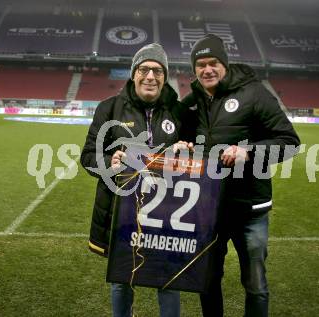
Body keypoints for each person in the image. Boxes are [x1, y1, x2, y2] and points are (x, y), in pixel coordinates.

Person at [185, 34, 300, 317]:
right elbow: (180, 133)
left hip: (250, 208)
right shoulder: (193, 101)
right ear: (194, 69)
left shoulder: (254, 93)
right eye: (200, 64)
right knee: (208, 281)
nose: (207, 69)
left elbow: (289, 142)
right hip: (210, 208)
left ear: (224, 64)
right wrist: (181, 143)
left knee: (255, 283)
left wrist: (247, 152)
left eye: (213, 63)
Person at [81, 43, 192, 317]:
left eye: (157, 70)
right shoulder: (109, 108)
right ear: (133, 74)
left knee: (168, 282)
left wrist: (188, 152)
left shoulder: (180, 113)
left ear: (165, 77)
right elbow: (88, 156)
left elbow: (199, 158)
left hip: (166, 213)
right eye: (144, 69)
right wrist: (109, 163)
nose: (150, 76)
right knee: (121, 281)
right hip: (123, 212)